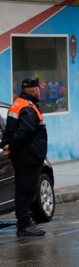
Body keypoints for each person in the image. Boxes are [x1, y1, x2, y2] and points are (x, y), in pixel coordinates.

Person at [1, 77, 48, 237]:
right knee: (26, 191)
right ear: (34, 89)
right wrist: (11, 146)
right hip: (28, 157)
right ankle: (25, 225)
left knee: (23, 189)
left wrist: (7, 145)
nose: (39, 91)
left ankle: (25, 222)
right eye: (38, 88)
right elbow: (25, 130)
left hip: (23, 157)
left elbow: (8, 129)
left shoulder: (17, 105)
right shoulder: (28, 107)